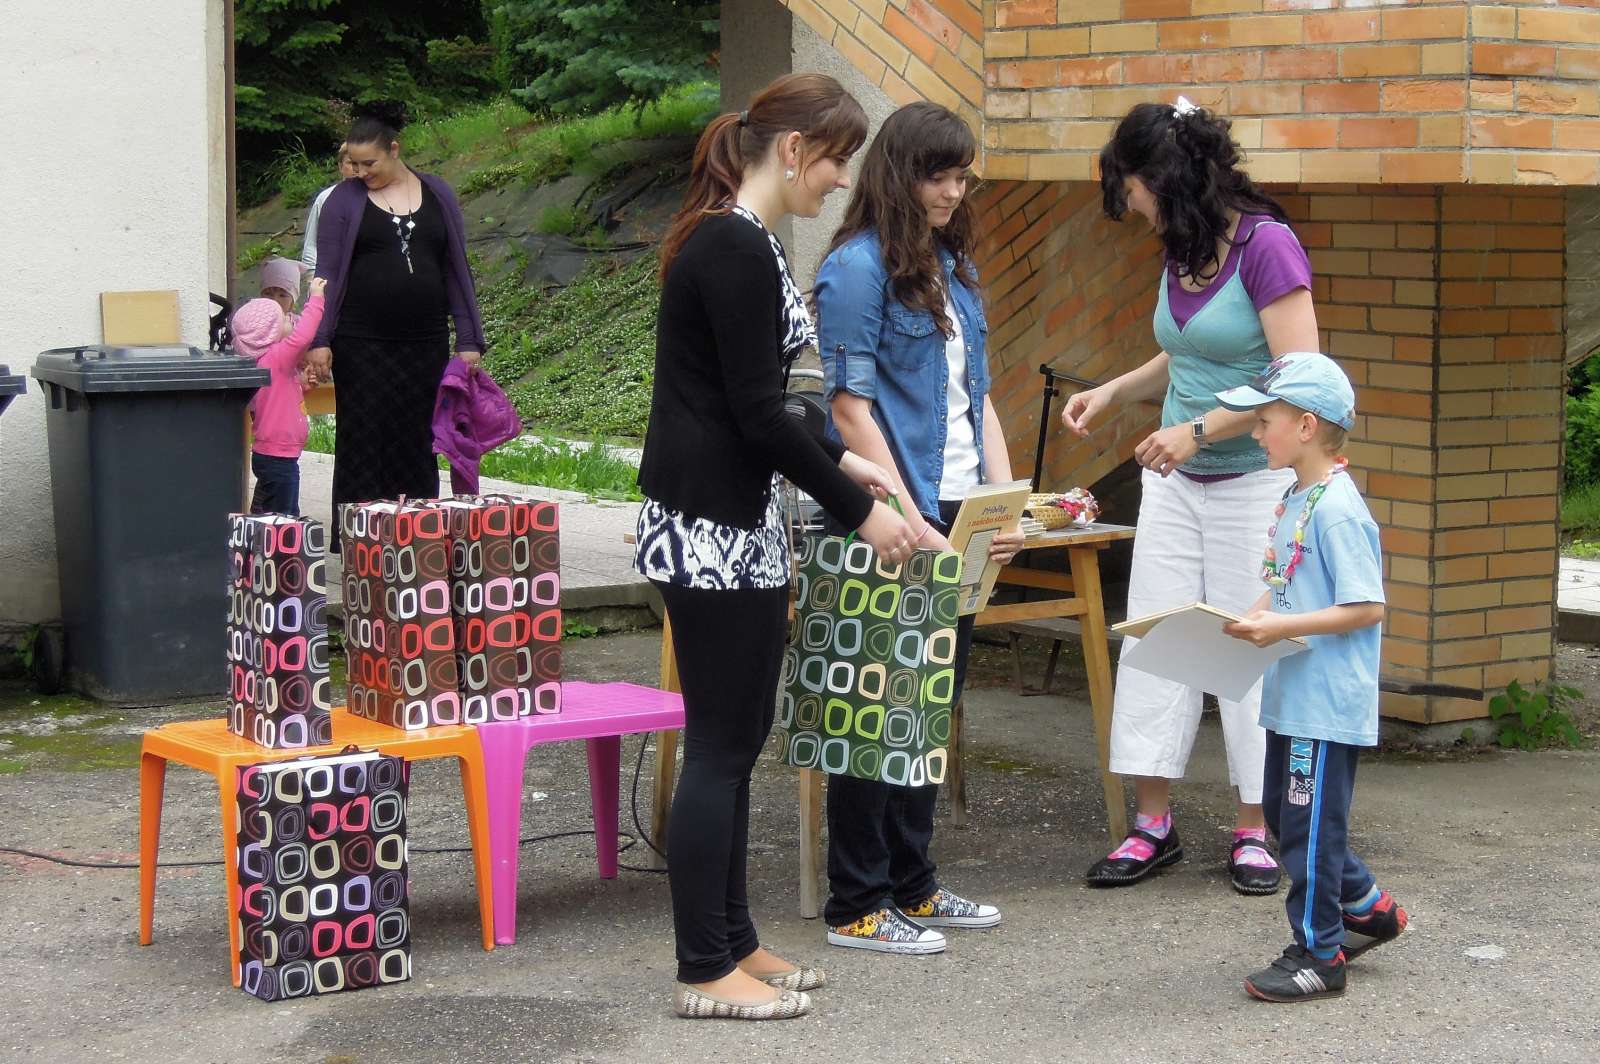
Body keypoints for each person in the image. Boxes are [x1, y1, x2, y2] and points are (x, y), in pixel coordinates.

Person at [634, 73, 917, 1021]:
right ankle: (702, 970)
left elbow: (764, 401)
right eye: (836, 160)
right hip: (710, 531)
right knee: (720, 749)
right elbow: (757, 414)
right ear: (794, 150)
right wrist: (857, 510)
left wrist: (843, 457)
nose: (841, 180)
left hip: (733, 525)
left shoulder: (743, 240)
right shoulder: (733, 245)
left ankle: (734, 941)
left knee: (738, 742)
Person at [1060, 99, 1320, 894]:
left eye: (1132, 188)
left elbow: (1298, 378)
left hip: (1254, 481)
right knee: (1157, 640)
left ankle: (1254, 828)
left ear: (1165, 178)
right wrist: (1115, 389)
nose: (1130, 204)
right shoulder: (1183, 248)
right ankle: (1153, 825)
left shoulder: (1267, 246)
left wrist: (1199, 433)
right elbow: (1188, 354)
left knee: (1250, 643)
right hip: (1176, 484)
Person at [813, 102, 1021, 955]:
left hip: (961, 511)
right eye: (938, 175)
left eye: (962, 175)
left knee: (931, 705)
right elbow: (848, 409)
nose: (953, 190)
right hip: (894, 518)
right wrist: (903, 514)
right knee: (875, 710)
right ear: (901, 174)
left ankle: (914, 884)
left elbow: (980, 399)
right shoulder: (855, 269)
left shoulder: (955, 268)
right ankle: (857, 903)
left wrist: (1007, 503)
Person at [1215, 352, 1409, 1001]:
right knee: (1285, 814)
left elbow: (1368, 606)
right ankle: (1368, 907)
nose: (1254, 432)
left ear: (1305, 426)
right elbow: (1286, 582)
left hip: (1324, 706)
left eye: (1263, 421)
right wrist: (1253, 618)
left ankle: (1321, 953)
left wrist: (1281, 627)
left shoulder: (1339, 509)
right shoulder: (1299, 497)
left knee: (1309, 829)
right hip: (1292, 695)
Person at [305, 104, 485, 550]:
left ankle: (418, 538)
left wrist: (468, 338)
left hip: (425, 342)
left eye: (370, 163)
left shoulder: (438, 193)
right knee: (363, 438)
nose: (361, 172)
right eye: (354, 164)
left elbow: (455, 268)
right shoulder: (342, 201)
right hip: (360, 342)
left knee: (418, 438)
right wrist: (319, 338)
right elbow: (327, 274)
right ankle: (359, 543)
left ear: (395, 150)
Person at [231, 277, 327, 515]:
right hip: (279, 458)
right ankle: (279, 542)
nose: (289, 320)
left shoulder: (262, 361)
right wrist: (316, 298)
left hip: (270, 455)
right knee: (284, 518)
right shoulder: (277, 356)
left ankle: (260, 536)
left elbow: (277, 395)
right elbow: (304, 336)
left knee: (271, 512)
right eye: (284, 319)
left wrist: (301, 384)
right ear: (270, 333)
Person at [300, 143, 356, 271]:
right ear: (340, 166)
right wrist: (312, 275)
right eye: (351, 163)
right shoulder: (325, 198)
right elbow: (311, 246)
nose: (356, 168)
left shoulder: (377, 197)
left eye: (362, 163)